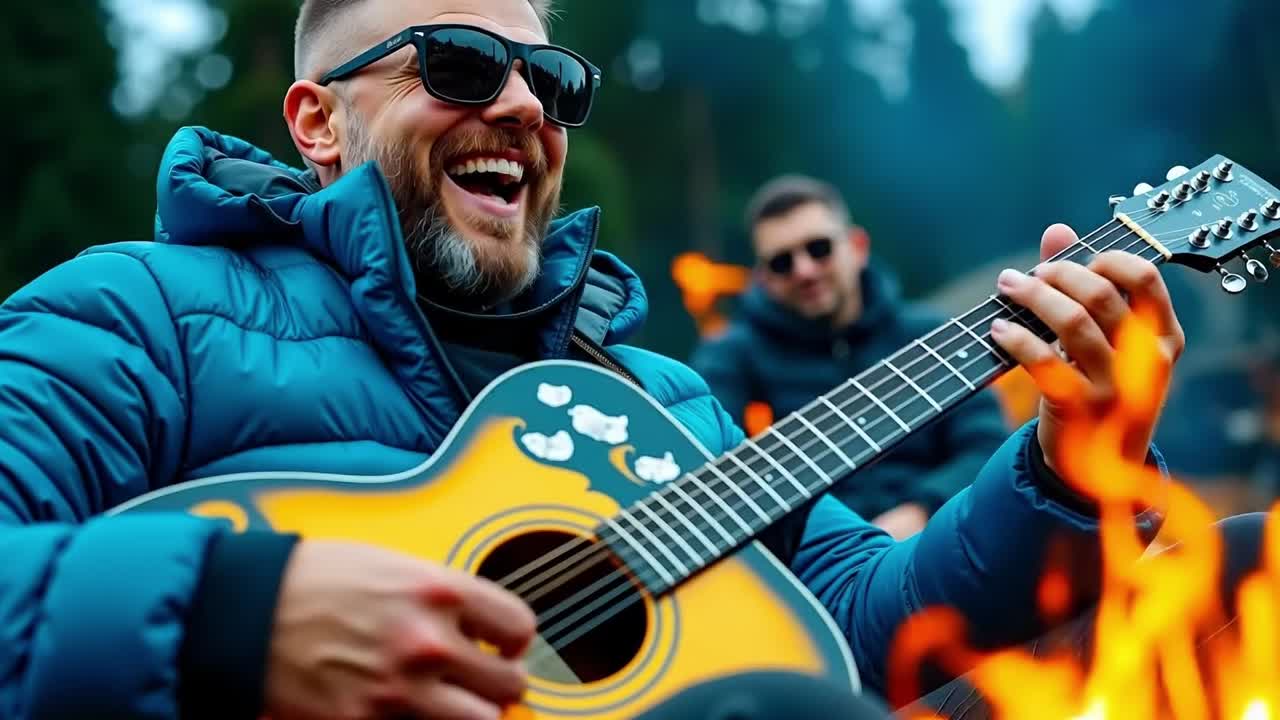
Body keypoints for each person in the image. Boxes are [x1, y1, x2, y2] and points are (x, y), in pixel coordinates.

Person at [0, 0, 1185, 718]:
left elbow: (869, 626)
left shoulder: (653, 397)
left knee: (1225, 571)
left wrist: (1074, 467)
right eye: (458, 64)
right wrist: (231, 615)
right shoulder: (137, 317)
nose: (523, 104)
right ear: (318, 122)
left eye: (549, 80)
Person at [692, 176, 1012, 539]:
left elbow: (987, 446)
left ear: (857, 247)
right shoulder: (732, 357)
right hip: (813, 556)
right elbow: (709, 467)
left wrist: (922, 509)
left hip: (937, 538)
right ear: (764, 278)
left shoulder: (929, 333)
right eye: (782, 262)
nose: (804, 270)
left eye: (819, 248)